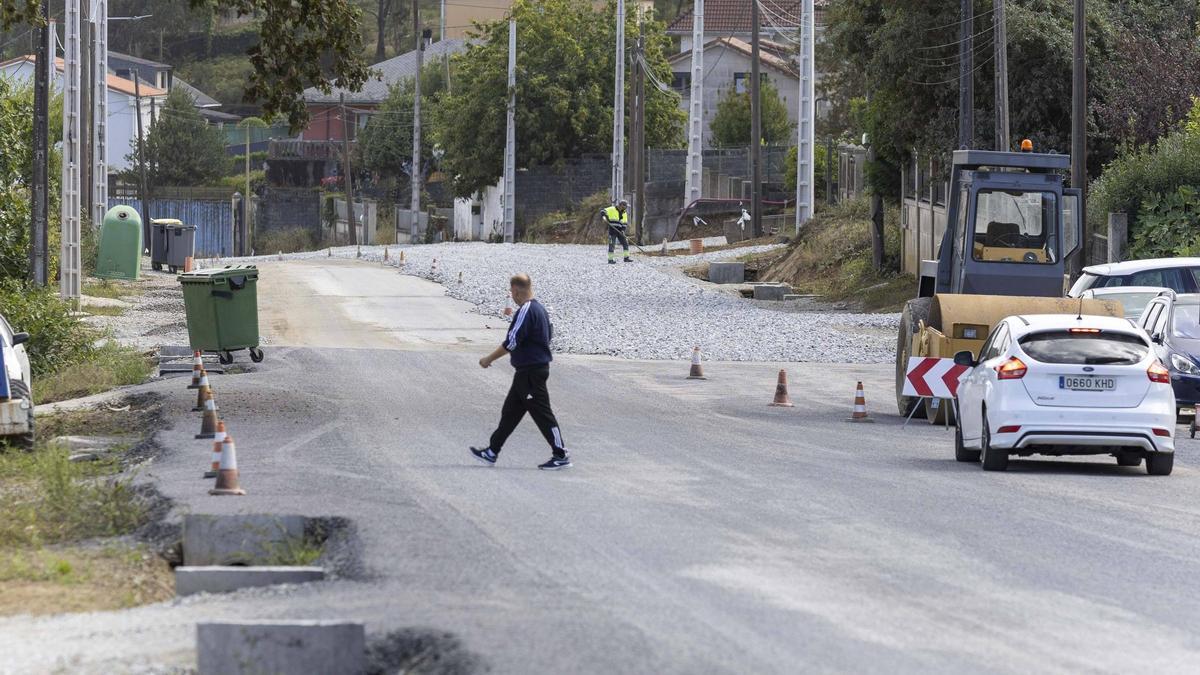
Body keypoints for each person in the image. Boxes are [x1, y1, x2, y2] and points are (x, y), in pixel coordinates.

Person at [471, 274, 571, 470]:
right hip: (527, 371)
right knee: (510, 412)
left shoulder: (526, 310)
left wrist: (488, 359)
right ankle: (492, 451)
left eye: (512, 293)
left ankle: (561, 454)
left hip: (531, 373)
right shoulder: (540, 309)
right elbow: (548, 335)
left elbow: (512, 342)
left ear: (516, 291)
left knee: (542, 413)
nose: (513, 297)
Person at [602, 199, 632, 264]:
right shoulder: (612, 209)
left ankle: (626, 258)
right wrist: (604, 217)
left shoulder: (624, 213)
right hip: (612, 231)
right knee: (612, 245)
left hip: (620, 231)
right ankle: (610, 260)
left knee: (625, 243)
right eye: (625, 206)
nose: (626, 207)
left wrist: (623, 230)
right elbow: (603, 211)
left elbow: (624, 223)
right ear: (621, 205)